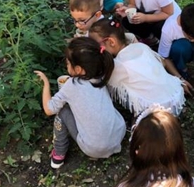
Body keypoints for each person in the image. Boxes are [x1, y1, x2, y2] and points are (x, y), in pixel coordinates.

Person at [34, 37, 126, 168]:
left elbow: (49, 110)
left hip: (94, 148)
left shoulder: (71, 85)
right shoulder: (100, 75)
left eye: (67, 64)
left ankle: (58, 154)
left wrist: (46, 84)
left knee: (63, 112)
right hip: (118, 135)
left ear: (78, 70)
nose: (66, 66)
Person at [89, 17, 191, 116]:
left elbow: (104, 82)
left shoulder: (118, 65)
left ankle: (140, 118)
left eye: (95, 45)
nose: (94, 49)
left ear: (111, 42)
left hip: (159, 108)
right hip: (176, 95)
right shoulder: (141, 46)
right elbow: (162, 62)